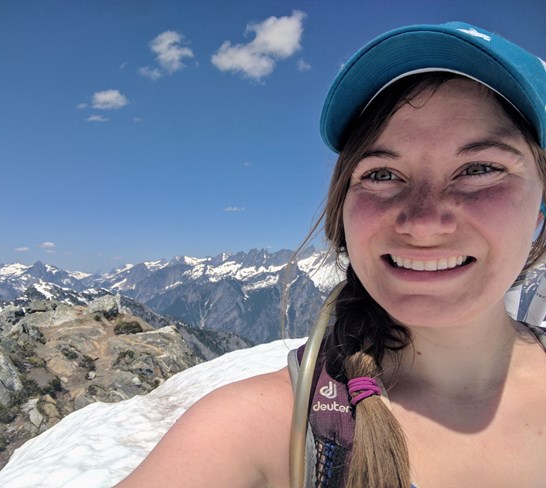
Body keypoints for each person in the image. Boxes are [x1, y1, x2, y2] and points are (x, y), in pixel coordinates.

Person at [114, 21, 546, 488]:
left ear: (540, 203)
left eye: (480, 168)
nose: (423, 221)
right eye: (382, 174)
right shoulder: (260, 427)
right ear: (344, 207)